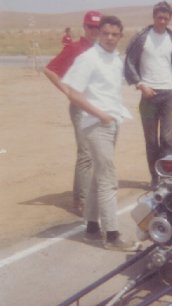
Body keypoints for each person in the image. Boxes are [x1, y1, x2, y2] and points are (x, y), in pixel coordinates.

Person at [62, 15, 136, 252]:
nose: (110, 38)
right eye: (105, 33)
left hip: (112, 122)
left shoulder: (115, 59)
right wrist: (100, 114)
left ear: (120, 36)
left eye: (115, 34)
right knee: (108, 179)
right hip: (96, 124)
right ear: (98, 33)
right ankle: (112, 236)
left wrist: (111, 117)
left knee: (98, 177)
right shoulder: (88, 58)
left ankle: (92, 228)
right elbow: (74, 92)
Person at [43, 10, 102, 215]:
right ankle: (82, 201)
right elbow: (50, 70)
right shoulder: (75, 48)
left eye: (98, 27)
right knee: (85, 153)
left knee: (93, 153)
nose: (94, 31)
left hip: (96, 106)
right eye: (91, 27)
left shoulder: (101, 50)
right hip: (80, 107)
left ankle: (83, 196)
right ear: (84, 27)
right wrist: (66, 90)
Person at [124, 1, 172, 189]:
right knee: (151, 140)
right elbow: (129, 63)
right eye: (159, 17)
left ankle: (166, 177)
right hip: (149, 96)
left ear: (169, 19)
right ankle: (155, 177)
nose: (162, 21)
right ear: (154, 17)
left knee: (167, 139)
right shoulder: (142, 37)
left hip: (167, 94)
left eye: (166, 18)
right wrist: (141, 85)